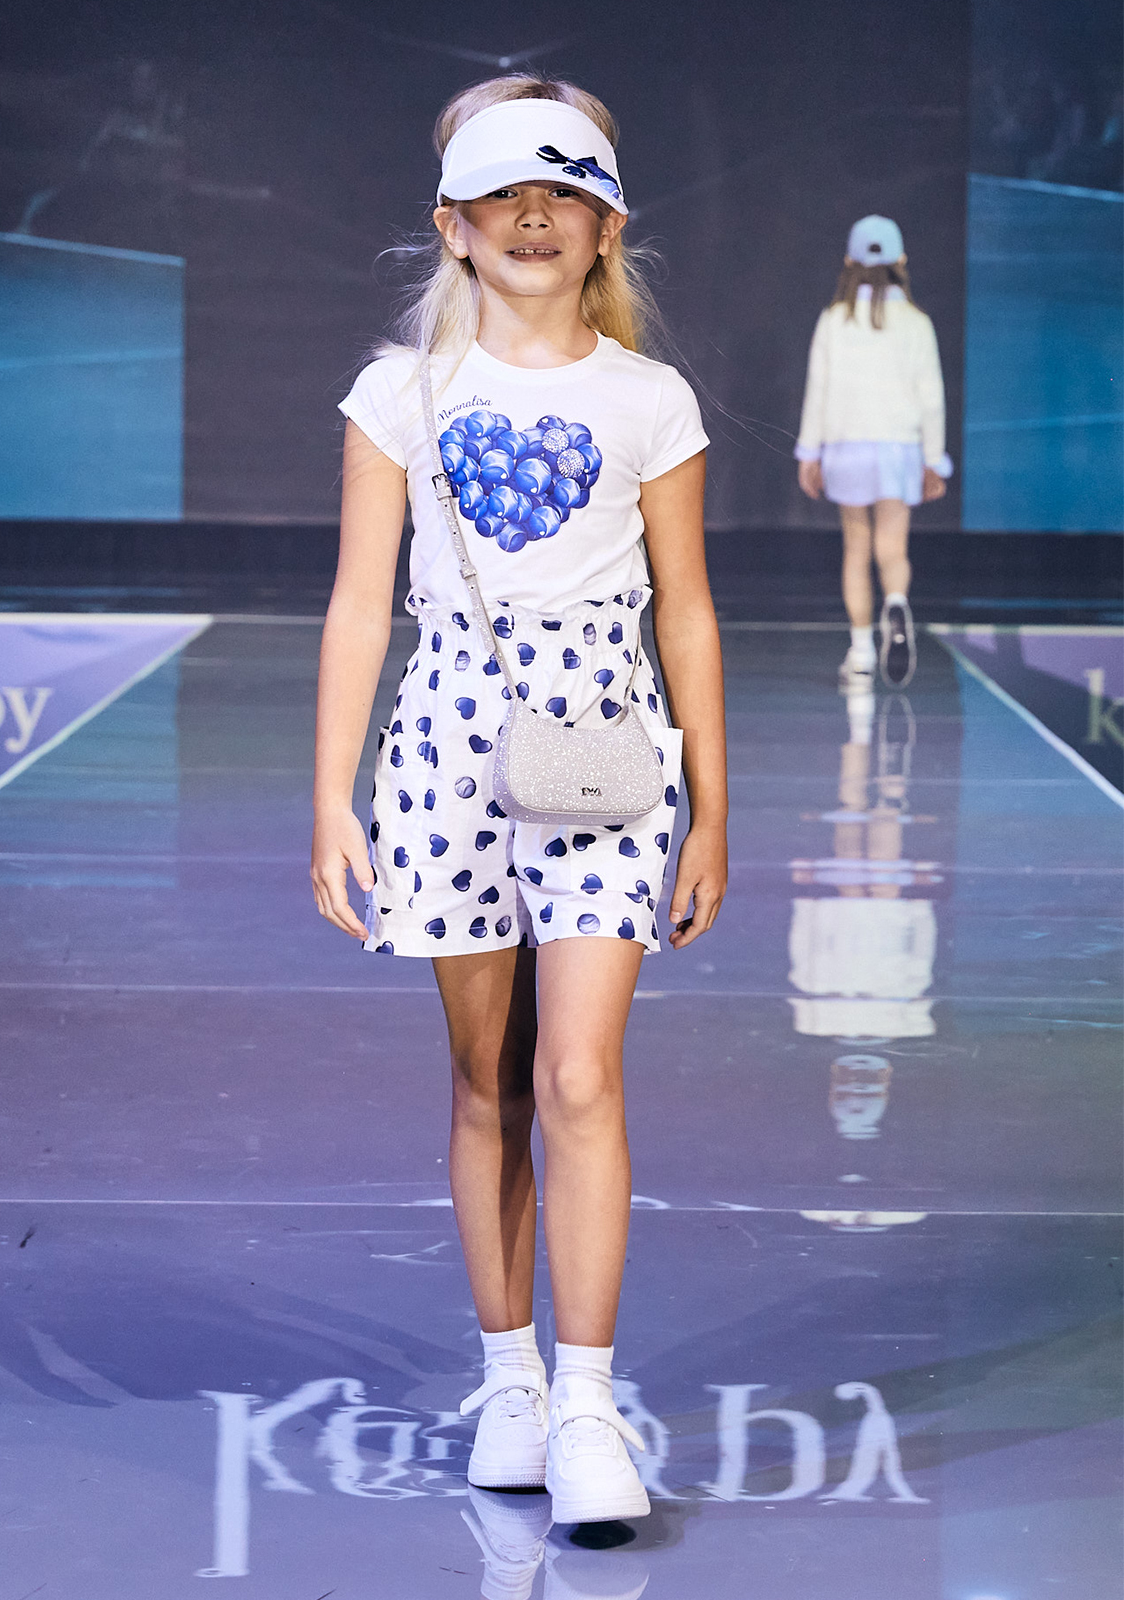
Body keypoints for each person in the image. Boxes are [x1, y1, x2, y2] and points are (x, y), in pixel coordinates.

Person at [309, 76, 728, 1526]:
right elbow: (360, 604)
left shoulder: (649, 400)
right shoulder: (399, 393)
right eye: (505, 197)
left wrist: (715, 807)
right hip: (444, 742)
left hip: (602, 738)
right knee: (487, 1077)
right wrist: (333, 796)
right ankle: (512, 1384)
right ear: (455, 225)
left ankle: (593, 1405)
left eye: (563, 196)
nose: (534, 219)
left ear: (608, 226)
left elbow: (687, 611)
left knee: (580, 1075)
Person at [795, 215, 952, 689]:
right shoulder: (917, 322)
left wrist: (809, 452)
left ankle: (861, 654)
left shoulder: (834, 319)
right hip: (899, 448)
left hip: (846, 447)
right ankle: (897, 604)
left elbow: (818, 389)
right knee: (892, 547)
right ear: (901, 259)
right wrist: (934, 459)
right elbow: (931, 397)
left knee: (857, 548)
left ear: (849, 260)